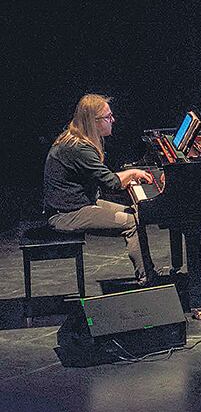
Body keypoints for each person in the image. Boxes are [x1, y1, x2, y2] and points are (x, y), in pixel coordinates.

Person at [43, 94, 159, 286]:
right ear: (93, 121)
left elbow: (108, 178)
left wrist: (129, 175)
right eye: (108, 117)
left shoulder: (78, 140)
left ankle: (148, 271)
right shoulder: (79, 148)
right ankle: (147, 280)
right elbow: (112, 183)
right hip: (66, 214)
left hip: (83, 203)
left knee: (140, 212)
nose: (112, 120)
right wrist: (132, 174)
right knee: (132, 222)